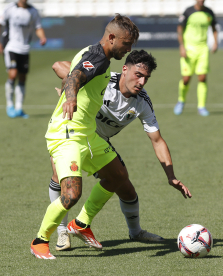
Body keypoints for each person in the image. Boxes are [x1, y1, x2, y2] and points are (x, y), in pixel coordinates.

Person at [49, 50, 192, 251]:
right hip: (71, 132)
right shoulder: (102, 79)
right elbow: (58, 65)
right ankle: (62, 230)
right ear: (125, 69)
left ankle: (135, 232)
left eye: (146, 78)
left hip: (98, 142)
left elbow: (157, 140)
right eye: (138, 75)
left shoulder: (142, 102)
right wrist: (71, 85)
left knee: (125, 186)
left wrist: (171, 176)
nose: (142, 82)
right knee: (60, 177)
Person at [30, 14, 140, 260]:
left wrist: (71, 90)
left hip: (86, 133)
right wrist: (70, 96)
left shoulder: (96, 54)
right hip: (68, 133)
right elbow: (76, 75)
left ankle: (81, 224)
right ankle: (40, 240)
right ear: (111, 37)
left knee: (118, 176)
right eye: (126, 43)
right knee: (71, 194)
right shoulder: (98, 57)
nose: (129, 49)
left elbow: (71, 72)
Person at [0, 0, 47, 118]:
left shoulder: (33, 11)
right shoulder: (10, 8)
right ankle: (9, 105)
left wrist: (42, 37)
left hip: (24, 48)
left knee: (22, 77)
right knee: (13, 74)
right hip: (11, 46)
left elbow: (38, 27)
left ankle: (19, 108)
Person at [174, 0, 218, 117]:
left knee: (202, 78)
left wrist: (215, 43)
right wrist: (182, 46)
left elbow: (214, 28)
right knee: (186, 79)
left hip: (203, 49)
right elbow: (180, 28)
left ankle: (201, 106)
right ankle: (181, 101)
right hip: (189, 49)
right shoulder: (188, 12)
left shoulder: (209, 12)